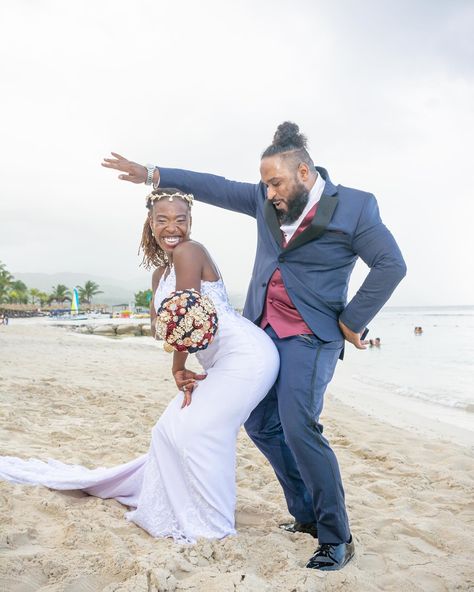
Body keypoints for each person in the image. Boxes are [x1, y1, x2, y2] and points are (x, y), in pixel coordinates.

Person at [101, 121, 407, 571]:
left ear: (304, 173)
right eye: (264, 184)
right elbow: (214, 186)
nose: (268, 193)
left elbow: (390, 265)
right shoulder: (266, 199)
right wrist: (152, 173)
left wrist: (352, 320)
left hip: (311, 334)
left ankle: (336, 535)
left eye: (276, 182)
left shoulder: (357, 207)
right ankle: (304, 514)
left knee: (299, 425)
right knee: (262, 425)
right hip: (261, 329)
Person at [0, 189, 279, 544]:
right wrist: (177, 359)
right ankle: (185, 504)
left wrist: (177, 367)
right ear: (150, 224)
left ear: (191, 223)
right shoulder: (159, 275)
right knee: (168, 430)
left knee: (202, 432)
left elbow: (187, 316)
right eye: (162, 220)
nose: (172, 227)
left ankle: (214, 526)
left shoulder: (190, 252)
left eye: (180, 219)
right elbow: (163, 327)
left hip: (246, 356)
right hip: (219, 359)